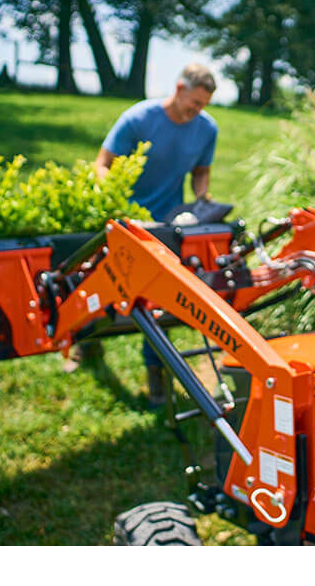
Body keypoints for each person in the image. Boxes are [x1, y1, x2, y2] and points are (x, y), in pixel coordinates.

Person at [74, 63, 219, 406]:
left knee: (159, 299)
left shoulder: (206, 128)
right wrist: (113, 201)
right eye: (194, 103)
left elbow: (201, 171)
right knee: (98, 282)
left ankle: (155, 372)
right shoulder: (139, 119)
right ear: (179, 88)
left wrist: (202, 198)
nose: (197, 111)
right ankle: (86, 342)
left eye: (203, 105)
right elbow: (103, 164)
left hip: (166, 223)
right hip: (124, 219)